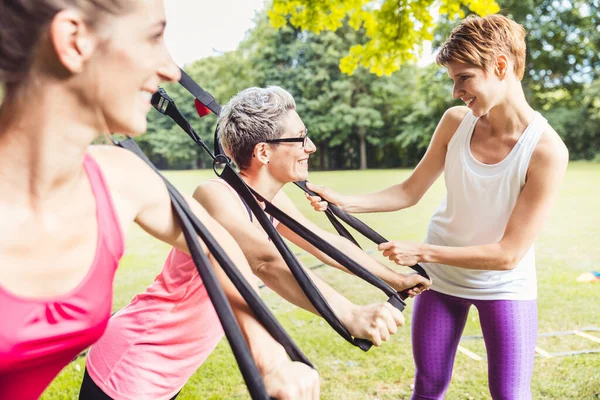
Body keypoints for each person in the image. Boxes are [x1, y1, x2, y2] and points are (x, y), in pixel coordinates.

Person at [0, 1, 318, 399]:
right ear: (74, 40)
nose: (170, 70)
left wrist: (270, 360)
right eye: (153, 37)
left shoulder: (123, 176)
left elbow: (217, 245)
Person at [81, 86, 431, 399]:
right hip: (137, 357)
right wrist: (349, 313)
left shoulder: (270, 202)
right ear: (264, 152)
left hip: (171, 364)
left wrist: (395, 278)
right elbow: (264, 260)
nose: (311, 146)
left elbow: (324, 242)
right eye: (300, 138)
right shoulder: (215, 196)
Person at [306, 14, 569, 400]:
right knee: (428, 387)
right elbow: (409, 191)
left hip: (504, 287)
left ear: (500, 67)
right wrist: (344, 201)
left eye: (463, 78)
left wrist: (422, 251)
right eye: (453, 80)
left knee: (511, 394)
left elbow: (509, 255)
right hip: (439, 283)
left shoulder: (547, 150)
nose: (455, 92)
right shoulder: (455, 123)